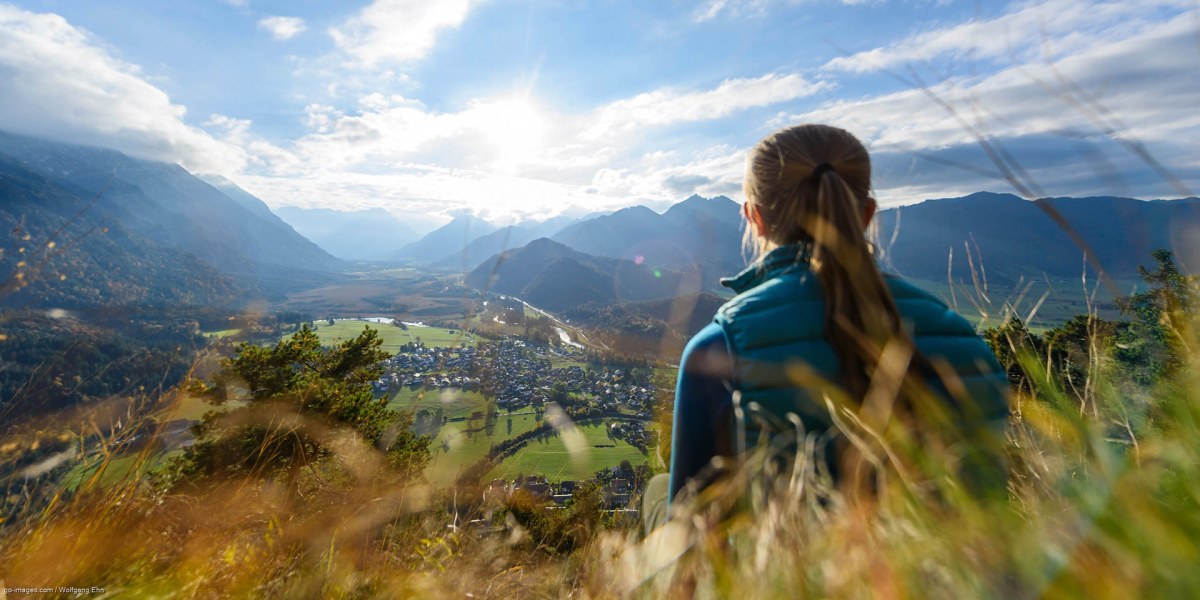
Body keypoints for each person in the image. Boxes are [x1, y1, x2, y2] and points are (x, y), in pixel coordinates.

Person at [643, 124, 1009, 531]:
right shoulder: (963, 338)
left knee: (658, 492)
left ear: (755, 217)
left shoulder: (722, 347)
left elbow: (689, 535)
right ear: (867, 215)